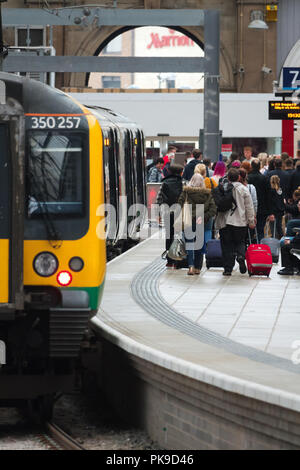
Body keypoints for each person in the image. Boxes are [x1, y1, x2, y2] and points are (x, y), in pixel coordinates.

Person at [215, 168, 256, 276]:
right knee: (240, 241)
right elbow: (249, 206)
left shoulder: (223, 188)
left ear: (228, 177)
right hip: (240, 221)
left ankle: (228, 269)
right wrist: (251, 221)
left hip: (225, 221)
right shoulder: (243, 189)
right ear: (239, 177)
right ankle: (241, 256)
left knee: (226, 245)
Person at [177, 174, 217, 275]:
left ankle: (190, 266)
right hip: (200, 221)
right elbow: (213, 209)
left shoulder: (186, 192)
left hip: (188, 220)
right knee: (199, 244)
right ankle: (198, 268)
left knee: (190, 244)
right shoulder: (207, 194)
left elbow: (179, 205)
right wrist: (204, 217)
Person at [156, 164, 183, 267]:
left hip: (167, 212)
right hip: (179, 212)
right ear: (180, 172)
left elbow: (159, 199)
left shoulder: (164, 183)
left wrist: (158, 214)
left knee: (169, 235)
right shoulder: (182, 182)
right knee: (178, 234)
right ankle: (178, 259)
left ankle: (169, 260)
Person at [247, 158, 270, 242]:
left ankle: (250, 248)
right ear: (260, 166)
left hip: (250, 208)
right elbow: (268, 194)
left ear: (251, 166)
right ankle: (260, 249)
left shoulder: (248, 178)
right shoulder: (264, 178)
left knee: (250, 230)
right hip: (262, 208)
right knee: (260, 230)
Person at [267, 175, 285, 239]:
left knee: (273, 228)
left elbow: (270, 202)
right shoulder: (280, 190)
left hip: (274, 211)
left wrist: (270, 212)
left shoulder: (271, 190)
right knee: (279, 226)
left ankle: (275, 240)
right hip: (280, 211)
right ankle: (281, 239)